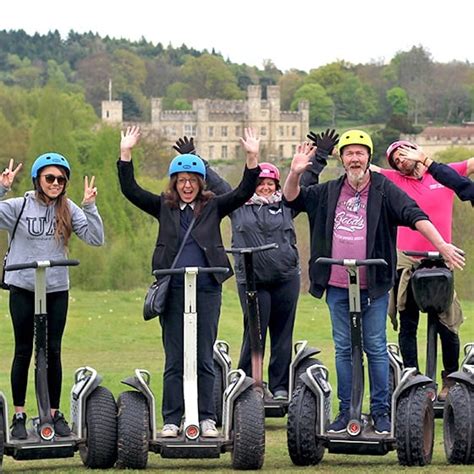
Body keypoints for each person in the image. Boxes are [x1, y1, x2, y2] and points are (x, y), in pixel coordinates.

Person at [283, 129, 465, 434]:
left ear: (368, 157)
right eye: (349, 153)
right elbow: (293, 200)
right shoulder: (328, 191)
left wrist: (443, 245)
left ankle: (381, 412)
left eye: (360, 153)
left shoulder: (383, 189)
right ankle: (345, 412)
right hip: (338, 282)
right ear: (342, 158)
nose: (355, 159)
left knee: (376, 347)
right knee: (343, 348)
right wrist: (294, 173)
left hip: (374, 283)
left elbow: (414, 214)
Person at [172, 130, 338, 400]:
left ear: (276, 185)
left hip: (286, 277)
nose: (264, 187)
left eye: (270, 183)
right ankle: (250, 384)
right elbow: (215, 180)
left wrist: (319, 156)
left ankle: (281, 386)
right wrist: (192, 157)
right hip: (252, 279)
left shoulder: (286, 204)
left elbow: (305, 180)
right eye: (260, 183)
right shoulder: (238, 204)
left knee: (283, 334)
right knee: (255, 332)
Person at [118, 125, 261, 438]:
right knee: (175, 355)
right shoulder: (163, 207)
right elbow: (131, 190)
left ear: (200, 183)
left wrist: (252, 159)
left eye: (192, 181)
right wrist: (125, 153)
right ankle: (172, 418)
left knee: (203, 354)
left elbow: (242, 193)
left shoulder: (213, 206)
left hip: (207, 287)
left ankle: (206, 417)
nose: (186, 186)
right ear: (175, 183)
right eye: (181, 181)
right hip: (173, 287)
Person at [0, 154, 104, 439]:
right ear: (38, 180)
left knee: (53, 350)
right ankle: (19, 415)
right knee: (23, 350)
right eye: (50, 178)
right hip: (23, 287)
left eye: (60, 179)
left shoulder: (69, 208)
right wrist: (2, 189)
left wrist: (90, 207)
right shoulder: (19, 206)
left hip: (56, 288)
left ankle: (54, 414)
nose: (56, 183)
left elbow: (96, 238)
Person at [371, 140, 474, 399]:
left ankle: (450, 379)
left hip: (442, 257)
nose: (401, 161)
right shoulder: (392, 179)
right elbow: (361, 168)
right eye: (395, 159)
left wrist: (427, 159)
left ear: (416, 151)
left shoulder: (444, 173)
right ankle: (414, 380)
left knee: (447, 323)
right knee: (408, 321)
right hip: (407, 258)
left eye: (403, 154)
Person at [395, 145, 474, 204]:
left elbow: (460, 183)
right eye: (397, 161)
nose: (402, 160)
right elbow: (457, 182)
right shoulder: (395, 179)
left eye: (404, 155)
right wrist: (426, 160)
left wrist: (425, 160)